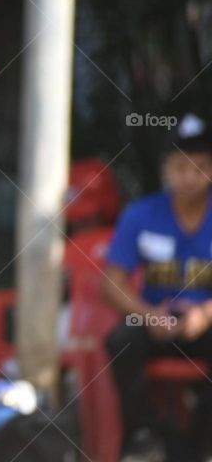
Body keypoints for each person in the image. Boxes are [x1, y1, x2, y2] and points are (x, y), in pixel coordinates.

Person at [101, 114, 212, 461]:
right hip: (154, 322)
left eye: (200, 167)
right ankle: (143, 431)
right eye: (181, 167)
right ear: (166, 168)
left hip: (206, 323)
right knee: (120, 340)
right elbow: (112, 281)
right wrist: (148, 315)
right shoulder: (141, 214)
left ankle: (199, 441)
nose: (190, 177)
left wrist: (206, 314)